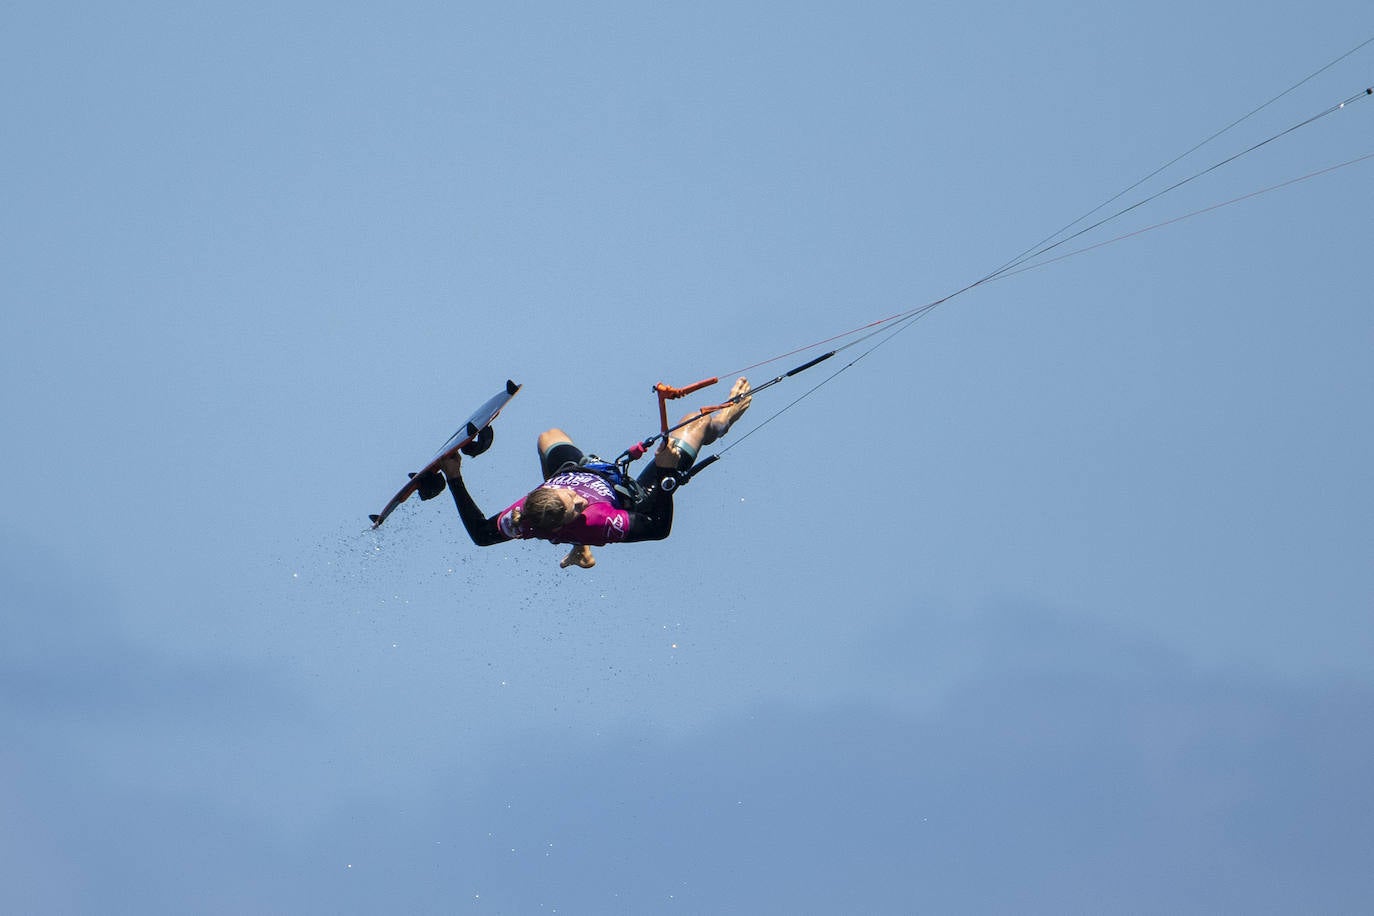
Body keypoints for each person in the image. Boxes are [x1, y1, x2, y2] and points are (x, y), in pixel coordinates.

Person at [439, 378, 752, 568]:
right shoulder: (599, 521)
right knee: (693, 422)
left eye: (567, 492)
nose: (578, 497)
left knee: (549, 435)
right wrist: (667, 476)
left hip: (588, 471)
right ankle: (724, 420)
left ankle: (578, 544)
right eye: (576, 505)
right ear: (574, 518)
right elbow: (658, 529)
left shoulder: (521, 515)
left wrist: (455, 477)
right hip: (633, 499)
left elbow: (482, 533)